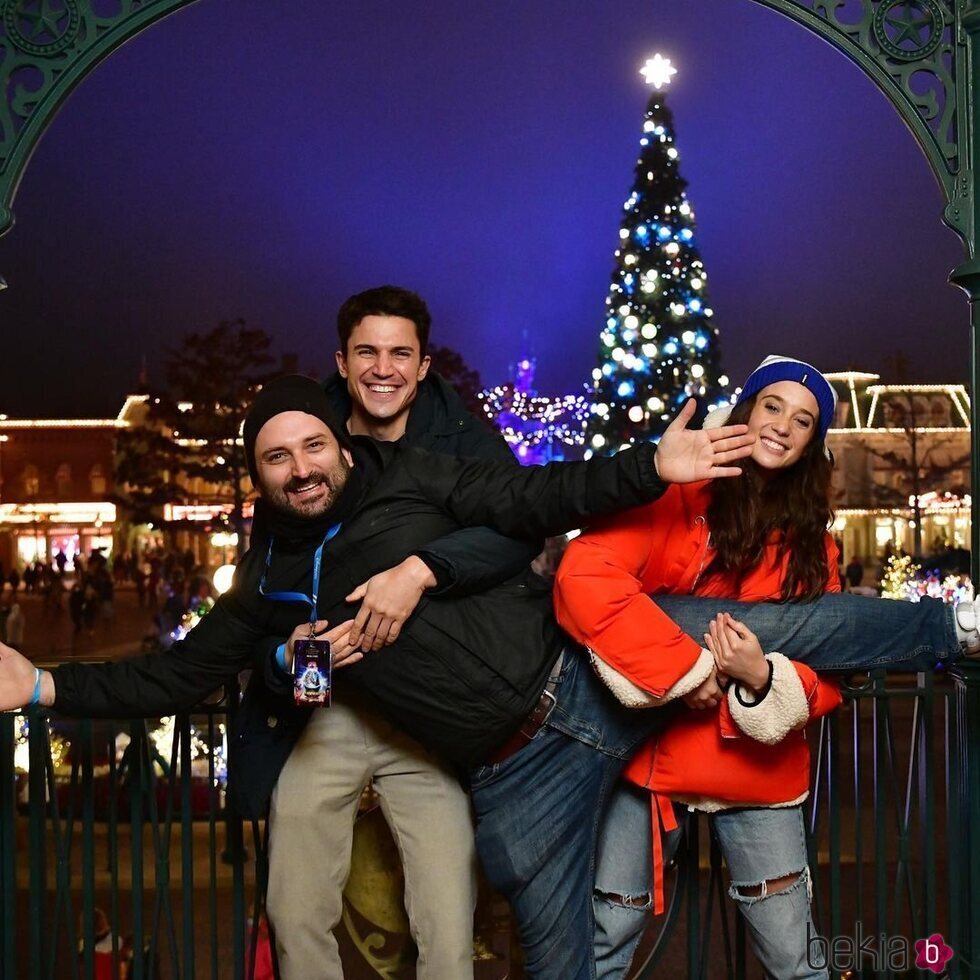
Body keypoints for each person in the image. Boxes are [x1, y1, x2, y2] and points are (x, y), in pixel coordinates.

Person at [0, 377, 975, 979]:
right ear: (256, 477)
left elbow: (535, 498)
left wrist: (648, 463)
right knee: (557, 957)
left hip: (585, 675)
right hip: (519, 775)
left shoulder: (419, 484)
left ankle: (951, 622)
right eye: (274, 456)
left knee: (775, 625)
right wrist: (43, 687)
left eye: (309, 445)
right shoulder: (266, 588)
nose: (298, 466)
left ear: (341, 445)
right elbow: (172, 675)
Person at [552, 357, 877, 976]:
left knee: (792, 953)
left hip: (756, 771)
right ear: (747, 411)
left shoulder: (817, 545)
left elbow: (828, 666)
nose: (782, 425)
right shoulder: (676, 496)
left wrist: (762, 680)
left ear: (814, 443)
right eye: (772, 406)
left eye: (804, 420)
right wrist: (688, 670)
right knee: (607, 936)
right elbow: (583, 576)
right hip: (648, 762)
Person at [258, 284, 538, 978]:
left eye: (399, 353)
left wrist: (424, 569)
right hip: (337, 707)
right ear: (343, 362)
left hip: (424, 715)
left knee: (448, 917)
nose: (383, 368)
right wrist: (297, 666)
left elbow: (518, 530)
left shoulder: (461, 438)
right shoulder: (306, 436)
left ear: (423, 364)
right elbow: (269, 585)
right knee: (293, 906)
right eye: (367, 352)